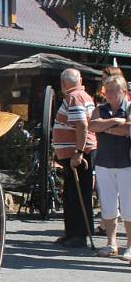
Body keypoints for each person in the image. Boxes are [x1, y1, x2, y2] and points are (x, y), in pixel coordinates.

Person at [52, 68, 97, 248]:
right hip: (75, 152)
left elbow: (82, 125)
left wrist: (78, 152)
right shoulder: (81, 95)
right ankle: (71, 233)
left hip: (79, 153)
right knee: (71, 195)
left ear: (63, 83)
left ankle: (79, 235)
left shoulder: (75, 97)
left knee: (78, 194)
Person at [88, 75, 131, 259]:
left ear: (123, 92)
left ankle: (129, 245)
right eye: (107, 91)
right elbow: (92, 125)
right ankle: (111, 243)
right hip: (104, 162)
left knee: (129, 206)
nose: (109, 94)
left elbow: (129, 129)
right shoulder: (100, 108)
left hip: (126, 163)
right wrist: (116, 123)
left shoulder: (129, 108)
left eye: (113, 90)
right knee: (108, 205)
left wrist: (106, 128)